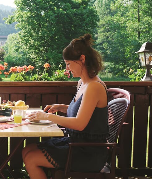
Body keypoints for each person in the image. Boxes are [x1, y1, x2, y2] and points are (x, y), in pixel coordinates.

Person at [23, 34, 109, 178]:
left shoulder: (94, 87)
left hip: (88, 152)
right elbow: (84, 111)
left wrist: (47, 116)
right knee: (27, 150)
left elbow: (80, 124)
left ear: (82, 59)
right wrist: (61, 107)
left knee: (31, 158)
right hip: (75, 143)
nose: (67, 68)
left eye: (68, 63)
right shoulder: (82, 83)